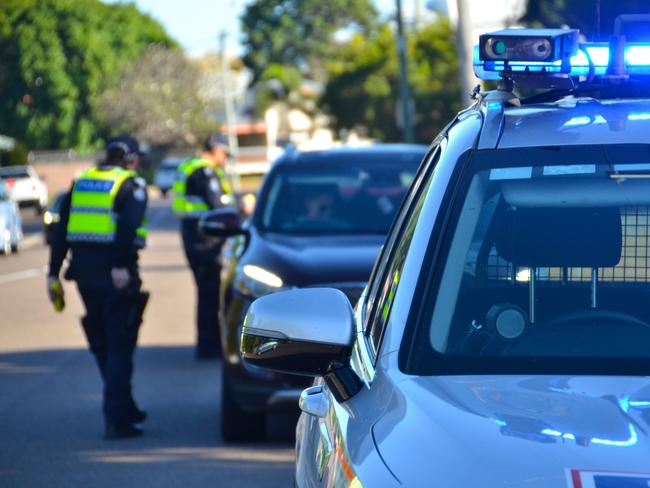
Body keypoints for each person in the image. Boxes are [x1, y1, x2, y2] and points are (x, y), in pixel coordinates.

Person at [46, 135, 149, 439]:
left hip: (85, 278)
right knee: (120, 346)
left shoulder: (81, 183)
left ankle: (125, 406)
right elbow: (128, 228)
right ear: (131, 160)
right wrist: (119, 265)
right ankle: (117, 418)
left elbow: (60, 232)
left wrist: (53, 273)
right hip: (115, 276)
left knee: (105, 343)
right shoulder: (131, 185)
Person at [173, 134, 234, 359]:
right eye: (225, 154)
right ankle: (209, 346)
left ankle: (207, 343)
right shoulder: (204, 171)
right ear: (216, 149)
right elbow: (219, 204)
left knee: (205, 292)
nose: (225, 159)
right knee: (209, 293)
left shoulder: (189, 166)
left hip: (193, 236)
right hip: (203, 240)